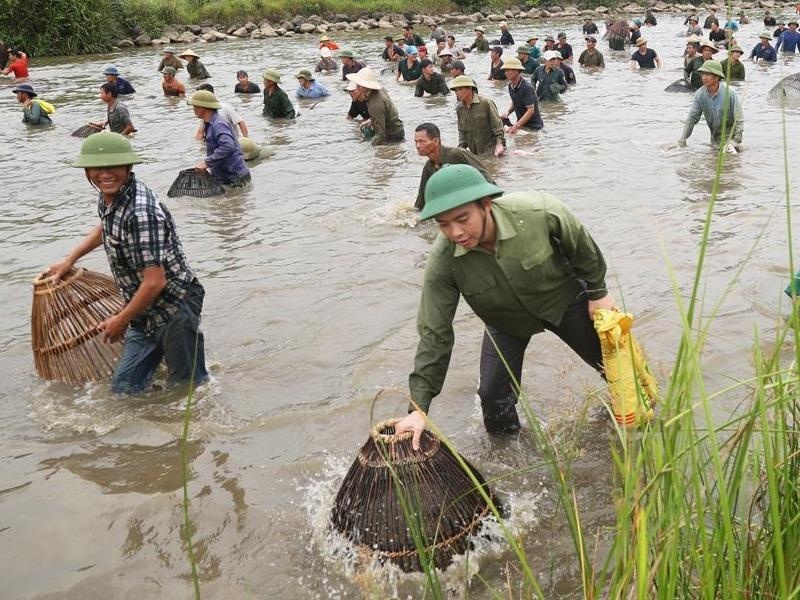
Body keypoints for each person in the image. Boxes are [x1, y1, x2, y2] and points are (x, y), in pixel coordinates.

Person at [394, 164, 616, 442]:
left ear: (486, 204)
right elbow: (434, 331)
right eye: (443, 224)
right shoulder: (443, 260)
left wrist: (598, 292)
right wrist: (418, 408)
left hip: (564, 300)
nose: (456, 232)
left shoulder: (537, 212)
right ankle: (511, 458)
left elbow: (580, 243)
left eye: (463, 218)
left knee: (619, 369)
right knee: (493, 399)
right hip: (504, 322)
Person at [49, 132, 209, 394]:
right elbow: (106, 227)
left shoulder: (141, 212)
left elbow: (156, 281)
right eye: (97, 168)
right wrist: (70, 259)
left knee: (188, 388)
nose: (105, 174)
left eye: (113, 167)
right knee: (124, 389)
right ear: (87, 171)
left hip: (174, 305)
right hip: (143, 308)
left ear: (128, 167)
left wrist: (121, 320)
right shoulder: (110, 196)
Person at [414, 122, 494, 210]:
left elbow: (486, 179)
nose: (417, 146)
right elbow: (422, 199)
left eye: (422, 141)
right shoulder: (428, 167)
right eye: (416, 142)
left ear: (436, 141)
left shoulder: (457, 154)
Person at [189, 90, 251, 186]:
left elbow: (228, 146)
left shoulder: (218, 124)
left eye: (195, 106)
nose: (193, 109)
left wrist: (207, 162)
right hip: (225, 176)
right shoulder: (208, 123)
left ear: (203, 108)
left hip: (235, 178)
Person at [678, 60, 743, 151]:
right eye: (703, 74)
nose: (704, 78)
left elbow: (739, 119)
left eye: (708, 75)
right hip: (714, 141)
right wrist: (682, 139)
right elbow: (692, 118)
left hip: (731, 141)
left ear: (717, 77)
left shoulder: (730, 93)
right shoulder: (700, 94)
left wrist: (736, 140)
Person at [346, 68, 405, 146]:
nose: (357, 86)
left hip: (392, 134)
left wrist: (369, 148)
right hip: (397, 129)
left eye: (359, 84)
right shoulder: (379, 90)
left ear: (365, 86)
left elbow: (380, 134)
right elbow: (386, 112)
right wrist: (371, 120)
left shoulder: (376, 103)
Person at [450, 75, 505, 157]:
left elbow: (498, 128)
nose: (457, 93)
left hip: (492, 151)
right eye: (456, 91)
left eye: (460, 90)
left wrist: (499, 145)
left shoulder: (486, 103)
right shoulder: (460, 109)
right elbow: (462, 133)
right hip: (475, 154)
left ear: (469, 89)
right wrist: (459, 151)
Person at [500, 57, 543, 134]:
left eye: (508, 70)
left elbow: (531, 110)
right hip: (522, 125)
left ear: (516, 71)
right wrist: (508, 112)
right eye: (505, 70)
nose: (505, 73)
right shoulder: (511, 85)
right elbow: (515, 101)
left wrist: (516, 126)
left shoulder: (526, 88)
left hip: (533, 127)